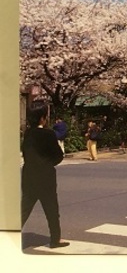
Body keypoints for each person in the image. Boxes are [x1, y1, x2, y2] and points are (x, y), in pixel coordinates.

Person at [21, 101, 70, 249]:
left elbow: (25, 153)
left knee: (24, 208)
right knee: (51, 209)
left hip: (29, 175)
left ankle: (8, 234)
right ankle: (55, 239)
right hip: (45, 176)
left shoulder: (28, 133)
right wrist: (48, 163)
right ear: (42, 118)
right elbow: (58, 156)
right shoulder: (48, 134)